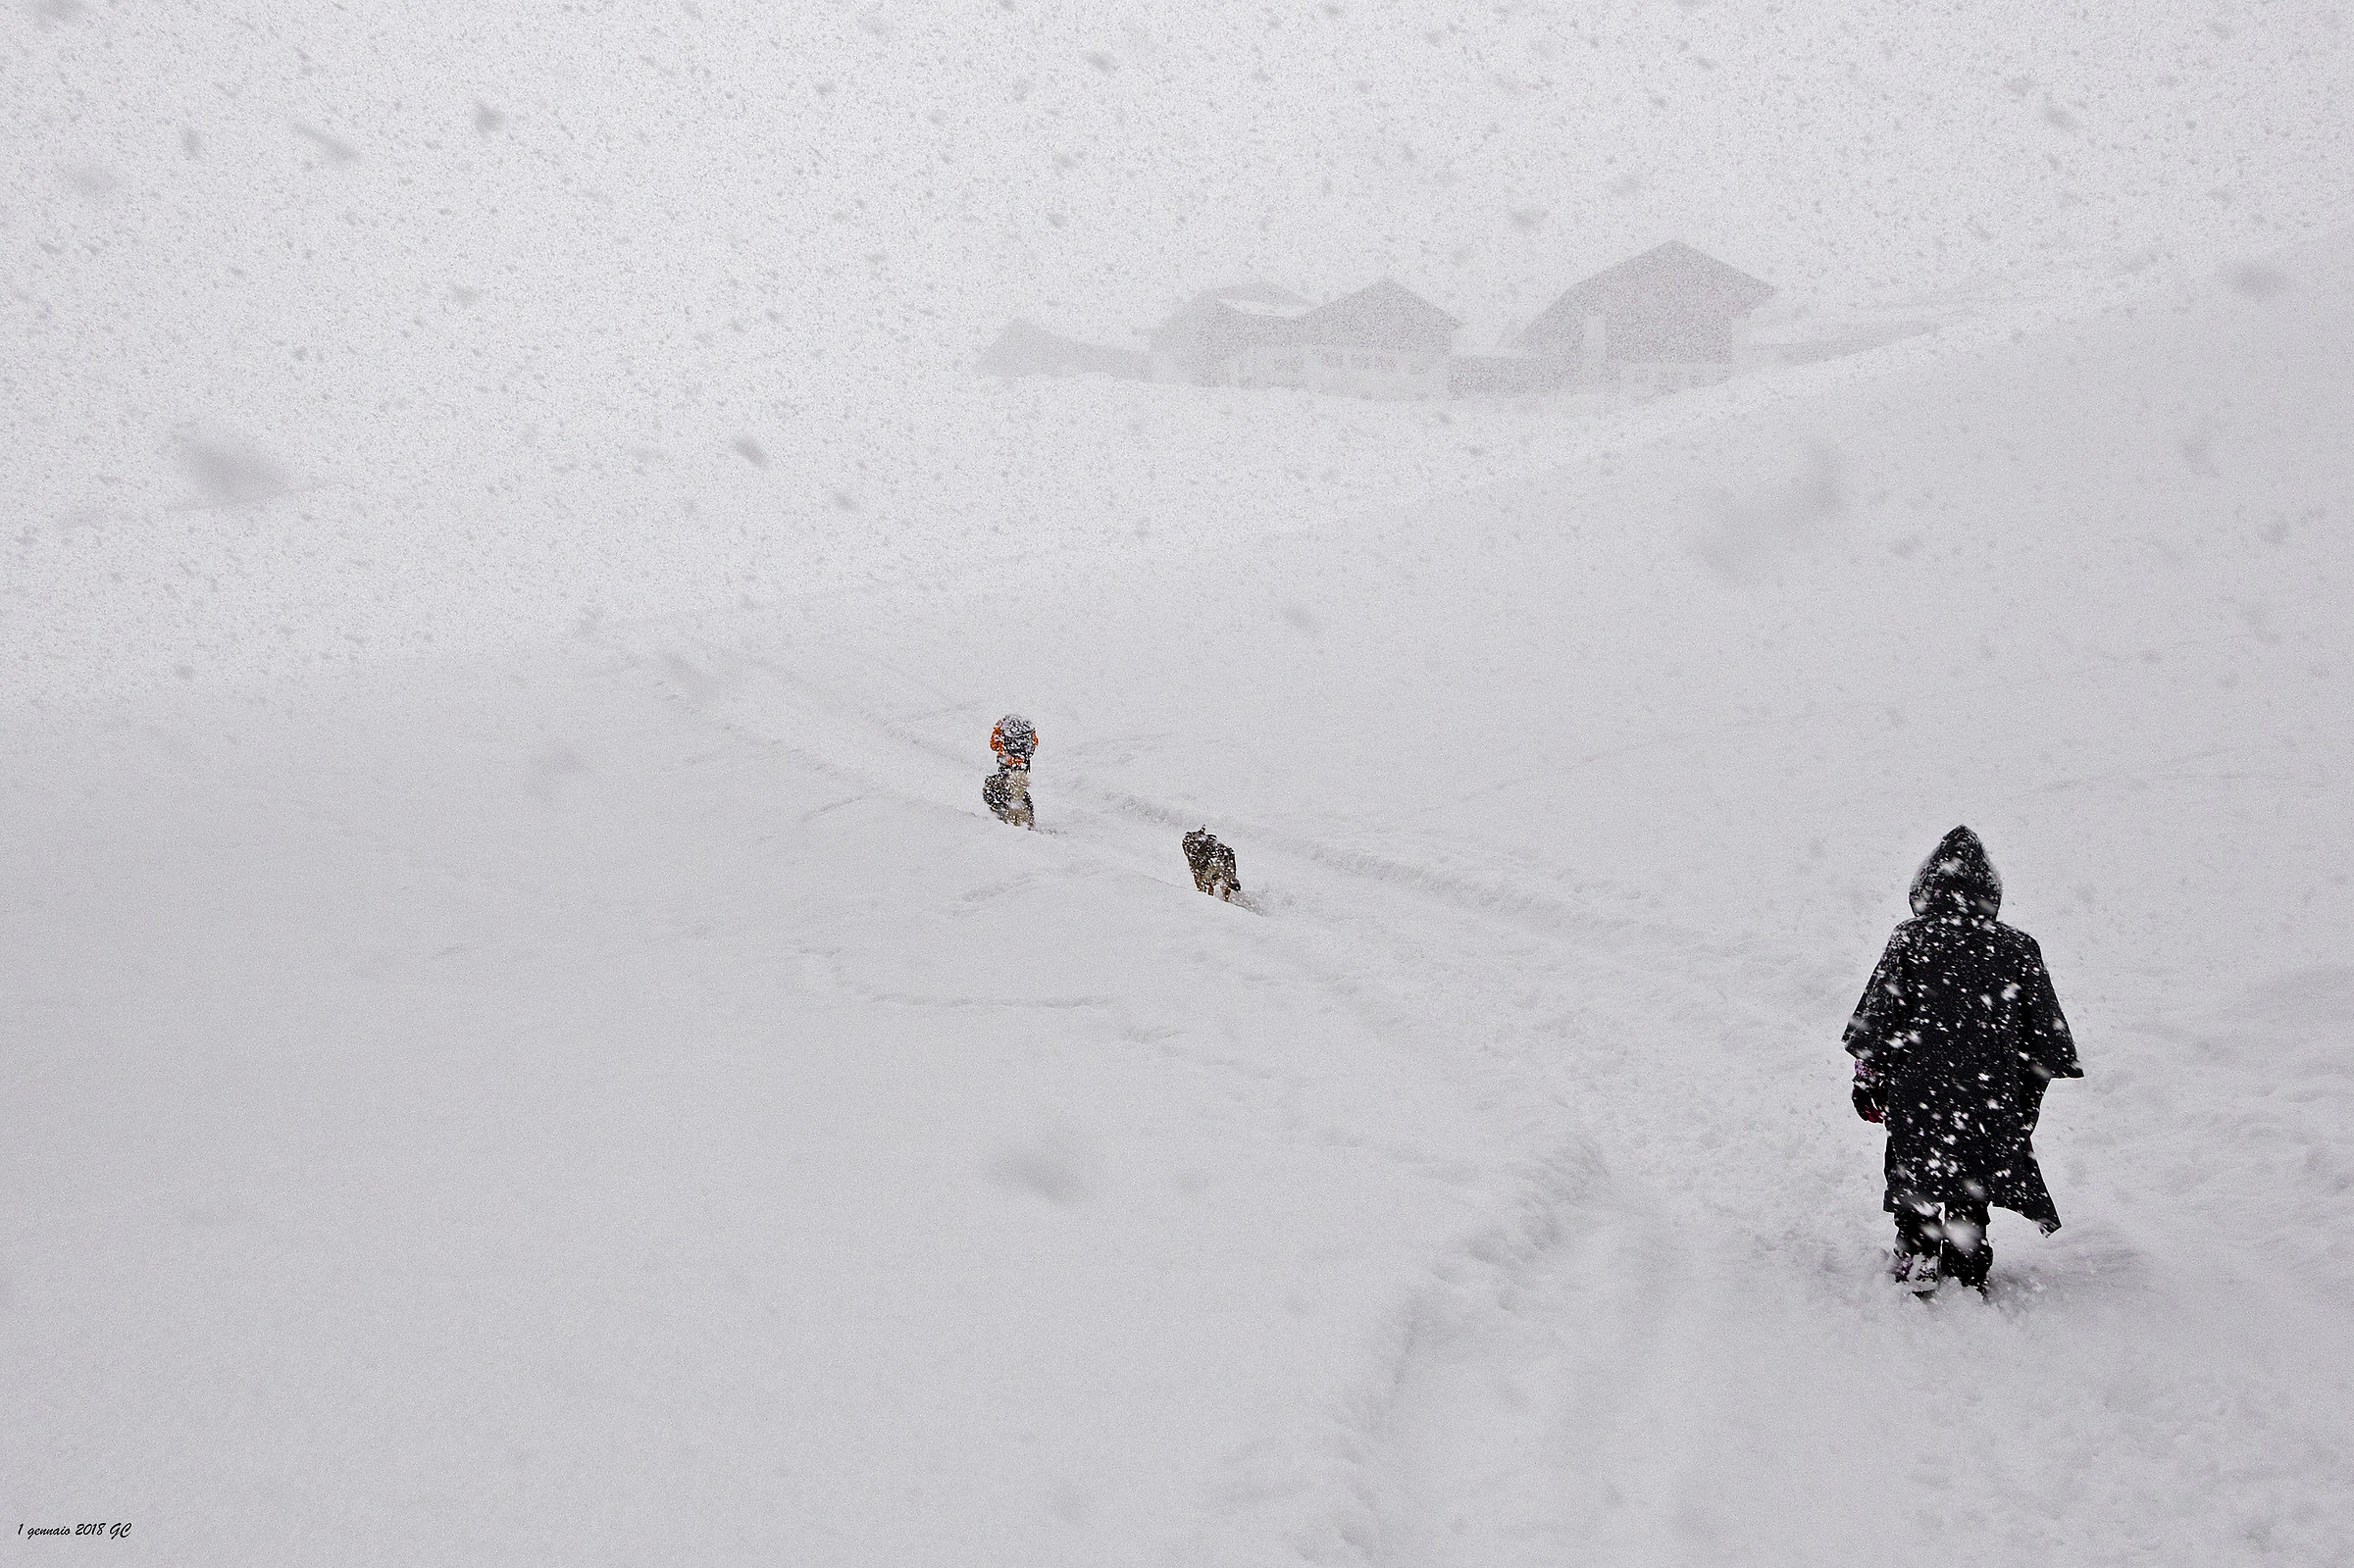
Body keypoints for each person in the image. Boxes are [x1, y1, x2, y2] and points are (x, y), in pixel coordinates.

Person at [1844, 826, 2081, 1293]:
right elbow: (2044, 1039)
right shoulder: (2017, 948)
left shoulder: (1911, 941)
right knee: (1973, 1174)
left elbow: (1878, 1017)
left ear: (1926, 887)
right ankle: (1968, 1258)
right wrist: (2027, 1098)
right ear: (1990, 891)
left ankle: (1917, 1253)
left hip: (1918, 1089)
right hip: (1990, 1094)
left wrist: (1868, 1080)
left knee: (1918, 1168)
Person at [986, 713, 1038, 828]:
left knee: (1001, 790)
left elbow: (993, 745)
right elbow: (1035, 744)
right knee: (1020, 792)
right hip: (1022, 766)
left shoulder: (1001, 725)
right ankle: (1028, 819)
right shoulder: (1028, 727)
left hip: (1006, 764)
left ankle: (1006, 818)